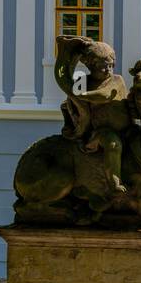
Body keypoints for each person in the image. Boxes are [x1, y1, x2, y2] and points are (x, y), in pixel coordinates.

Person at [54, 36, 129, 210]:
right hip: (100, 131)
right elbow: (70, 105)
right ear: (91, 65)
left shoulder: (117, 80)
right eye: (103, 66)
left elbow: (104, 95)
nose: (108, 70)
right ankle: (114, 182)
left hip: (125, 128)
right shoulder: (82, 81)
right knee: (113, 144)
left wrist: (81, 95)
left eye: (111, 65)